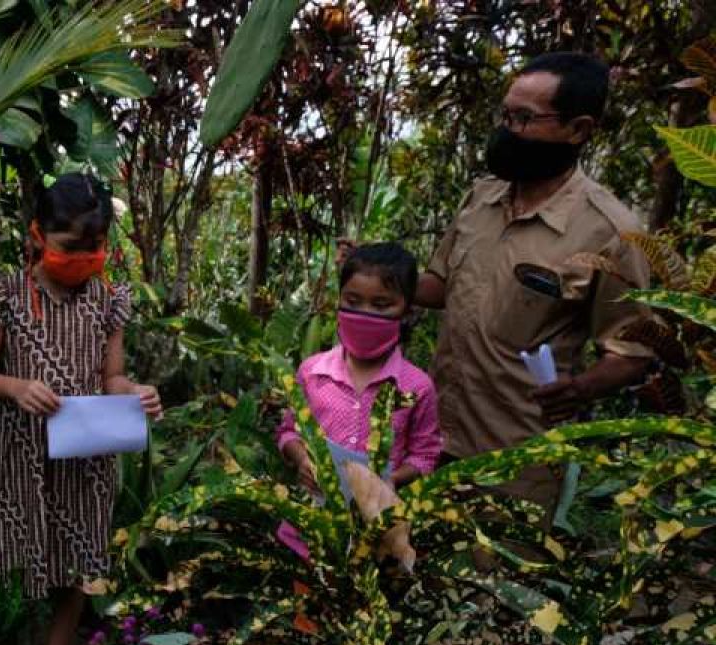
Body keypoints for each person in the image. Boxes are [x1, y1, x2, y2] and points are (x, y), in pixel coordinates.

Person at [414, 52, 653, 510]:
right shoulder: (482, 198)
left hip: (518, 460)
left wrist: (582, 390)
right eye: (505, 114)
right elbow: (439, 286)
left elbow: (631, 352)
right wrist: (381, 278)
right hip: (436, 439)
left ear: (578, 130)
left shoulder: (612, 233)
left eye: (523, 118)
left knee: (498, 577)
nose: (508, 130)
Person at [0, 173, 162, 645]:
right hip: (21, 454)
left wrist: (136, 393)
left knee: (79, 559)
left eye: (95, 247)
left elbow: (111, 377)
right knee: (21, 551)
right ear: (37, 235)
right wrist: (15, 387)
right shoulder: (6, 294)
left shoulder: (109, 300)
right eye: (71, 246)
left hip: (88, 457)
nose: (84, 256)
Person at [276, 243, 442, 556]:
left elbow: (426, 455)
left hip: (377, 532)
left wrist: (386, 479)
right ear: (339, 299)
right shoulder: (312, 372)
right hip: (311, 524)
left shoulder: (417, 386)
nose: (364, 313)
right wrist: (301, 459)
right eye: (353, 300)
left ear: (407, 310)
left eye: (381, 305)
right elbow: (288, 431)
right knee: (304, 600)